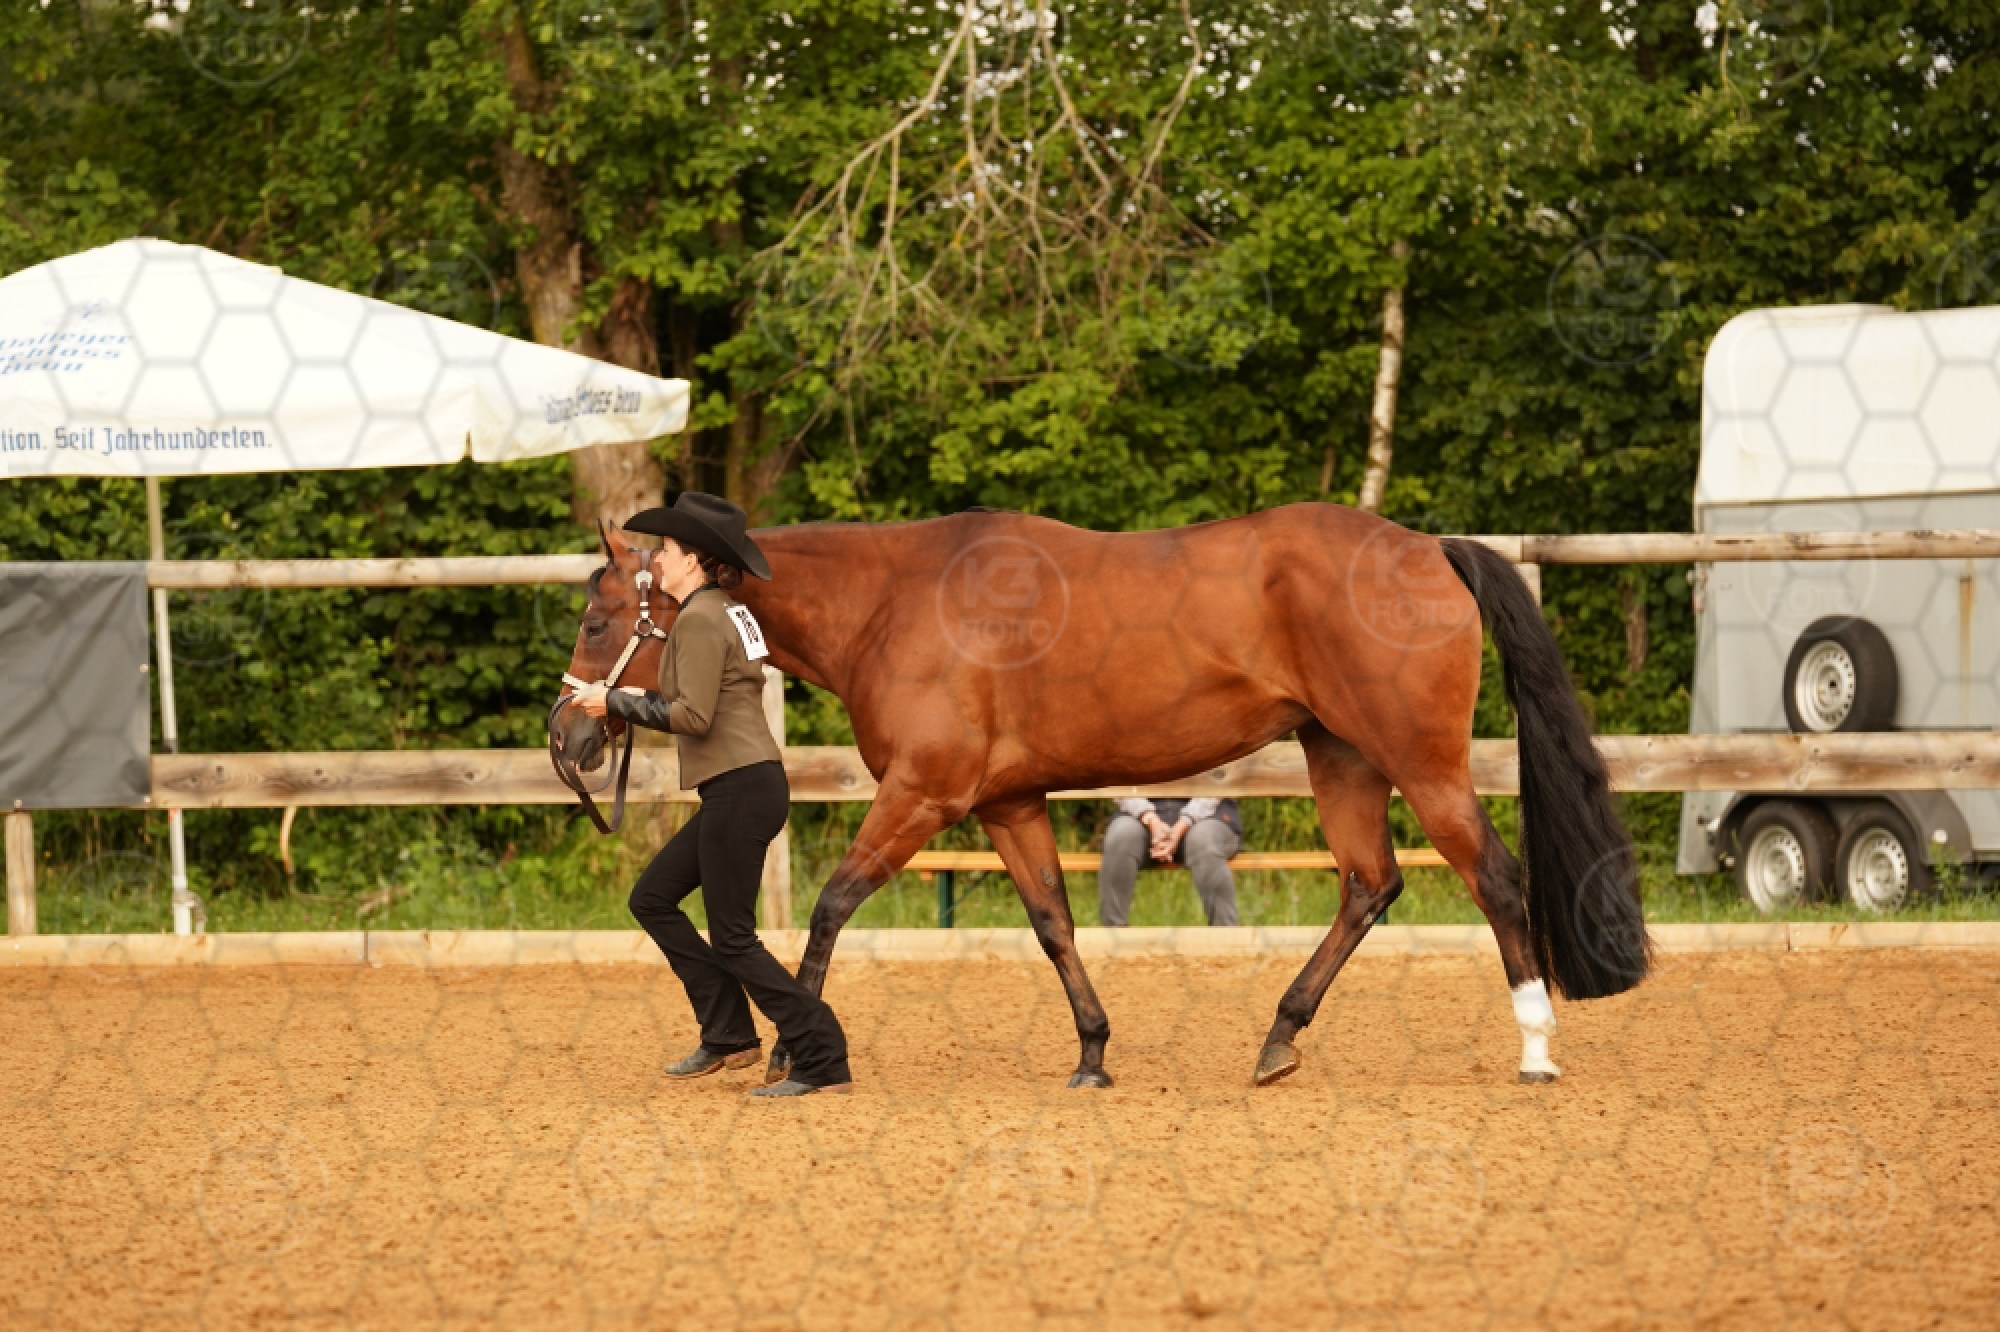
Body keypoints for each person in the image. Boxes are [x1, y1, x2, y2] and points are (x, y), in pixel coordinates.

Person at [570, 492, 851, 1098]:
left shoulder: (698, 618)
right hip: (744, 782)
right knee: (652, 898)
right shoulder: (726, 610)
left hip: (740, 786)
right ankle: (727, 1032)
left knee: (733, 937)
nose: (657, 561)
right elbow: (711, 696)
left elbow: (693, 716)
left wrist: (612, 701)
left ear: (694, 560)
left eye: (668, 550)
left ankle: (822, 1054)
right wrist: (630, 701)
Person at [1098, 797, 1244, 927]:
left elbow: (1215, 783)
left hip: (1210, 815)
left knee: (1203, 841)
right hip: (1137, 816)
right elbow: (1121, 786)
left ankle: (1225, 932)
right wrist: (1149, 818)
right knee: (1121, 837)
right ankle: (1113, 930)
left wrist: (1183, 823)